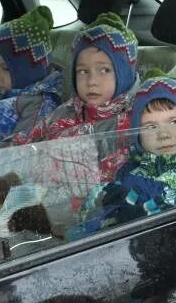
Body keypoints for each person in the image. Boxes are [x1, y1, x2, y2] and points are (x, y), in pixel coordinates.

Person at [73, 76, 176, 234]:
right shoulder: (130, 168)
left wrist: (136, 203)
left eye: (174, 122)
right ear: (138, 136)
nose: (164, 134)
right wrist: (98, 198)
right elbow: (92, 217)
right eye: (150, 127)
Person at [14, 11, 140, 182]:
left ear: (124, 74)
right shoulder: (67, 110)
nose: (92, 81)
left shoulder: (133, 125)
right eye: (83, 71)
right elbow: (26, 142)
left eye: (105, 70)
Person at [0, 6, 63, 143]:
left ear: (29, 71)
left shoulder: (40, 106)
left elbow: (21, 149)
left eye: (6, 69)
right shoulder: (2, 90)